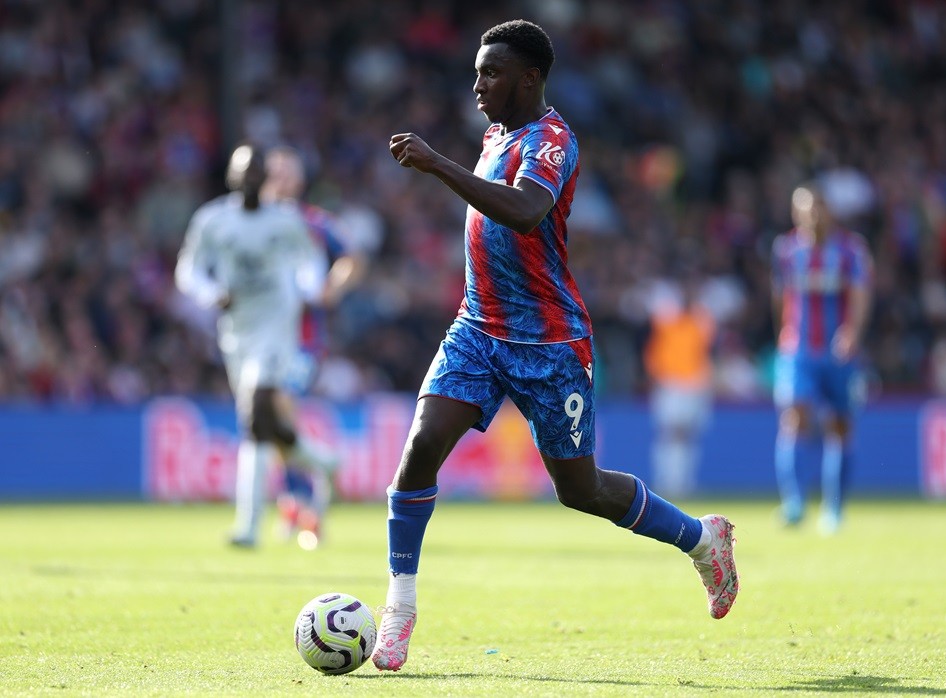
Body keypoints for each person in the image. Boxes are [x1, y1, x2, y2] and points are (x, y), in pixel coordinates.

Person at [370, 19, 739, 673]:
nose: (478, 83)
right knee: (421, 448)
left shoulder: (552, 140)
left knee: (581, 489)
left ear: (530, 77)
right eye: (478, 70)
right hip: (477, 330)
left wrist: (435, 163)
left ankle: (700, 539)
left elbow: (524, 211)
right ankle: (399, 607)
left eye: (492, 72)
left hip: (550, 343)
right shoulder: (496, 134)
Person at [175, 143, 340, 548]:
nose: (250, 179)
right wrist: (210, 293)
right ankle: (322, 461)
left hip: (276, 327)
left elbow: (311, 262)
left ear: (263, 178)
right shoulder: (212, 220)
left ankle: (247, 527)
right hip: (236, 331)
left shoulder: (284, 221)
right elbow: (188, 270)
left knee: (256, 409)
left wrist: (308, 289)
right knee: (259, 422)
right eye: (243, 172)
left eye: (256, 172)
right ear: (231, 177)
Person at [261, 145, 367, 549]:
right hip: (258, 336)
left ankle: (302, 498)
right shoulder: (251, 223)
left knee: (278, 403)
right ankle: (307, 484)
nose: (281, 178)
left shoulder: (315, 223)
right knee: (268, 421)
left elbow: (353, 259)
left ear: (300, 180)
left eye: (289, 171)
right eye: (275, 170)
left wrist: (332, 288)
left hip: (302, 339)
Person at [771, 182, 873, 534]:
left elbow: (860, 295)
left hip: (837, 352)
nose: (812, 214)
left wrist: (851, 333)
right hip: (798, 350)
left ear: (829, 210)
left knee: (839, 426)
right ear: (795, 212)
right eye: (805, 207)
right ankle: (794, 503)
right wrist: (781, 334)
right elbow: (780, 297)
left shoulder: (850, 250)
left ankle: (834, 507)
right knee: (794, 416)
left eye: (818, 207)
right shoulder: (785, 250)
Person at [643, 276, 715, 497]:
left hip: (695, 386)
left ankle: (683, 482)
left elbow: (706, 344)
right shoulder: (666, 320)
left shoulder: (700, 321)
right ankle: (668, 481)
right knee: (670, 434)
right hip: (671, 384)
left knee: (688, 436)